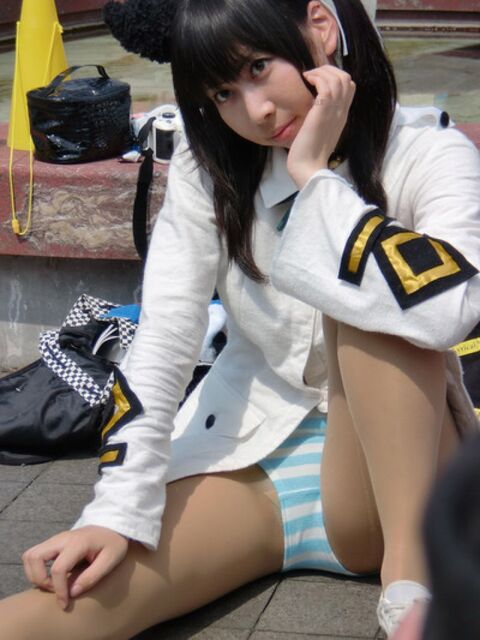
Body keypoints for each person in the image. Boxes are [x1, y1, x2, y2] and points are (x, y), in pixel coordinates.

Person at [1, 0, 479, 637]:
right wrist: (114, 512)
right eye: (223, 93)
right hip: (255, 454)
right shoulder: (213, 170)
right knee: (69, 605)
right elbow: (165, 337)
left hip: (409, 475)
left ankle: (412, 592)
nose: (255, 111)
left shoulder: (429, 151)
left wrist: (316, 180)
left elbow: (447, 312)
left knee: (373, 299)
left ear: (321, 26)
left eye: (258, 67)